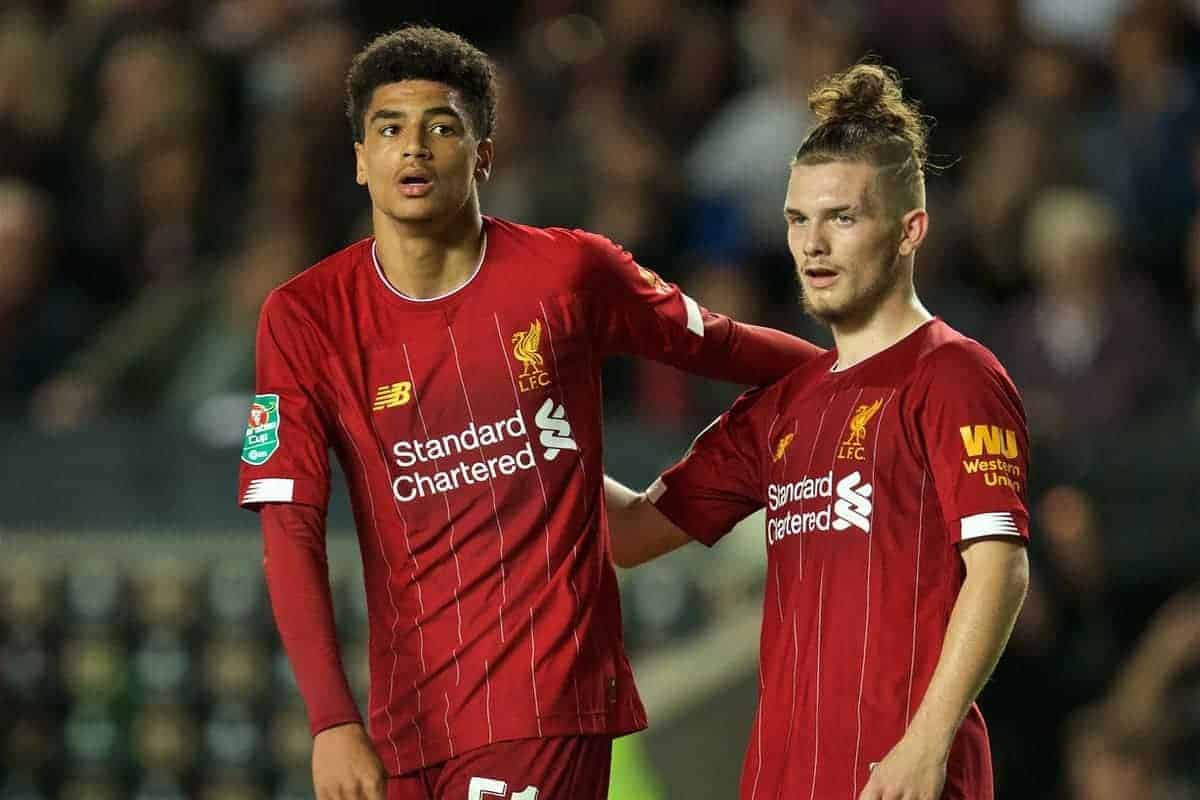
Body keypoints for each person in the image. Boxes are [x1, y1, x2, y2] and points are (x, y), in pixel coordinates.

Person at [236, 25, 821, 800]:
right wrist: (332, 720)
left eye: (442, 126)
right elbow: (289, 523)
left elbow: (735, 350)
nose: (415, 148)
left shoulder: (568, 271)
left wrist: (889, 376)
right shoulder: (305, 317)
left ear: (483, 154)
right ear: (358, 159)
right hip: (405, 724)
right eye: (389, 129)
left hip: (545, 703)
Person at [606, 64, 1031, 800]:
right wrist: (529, 426)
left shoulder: (955, 374)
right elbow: (630, 535)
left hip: (900, 781)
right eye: (798, 219)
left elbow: (1000, 569)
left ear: (909, 231)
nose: (813, 244)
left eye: (842, 217)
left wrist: (926, 745)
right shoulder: (783, 405)